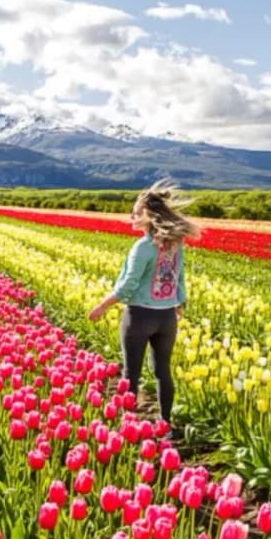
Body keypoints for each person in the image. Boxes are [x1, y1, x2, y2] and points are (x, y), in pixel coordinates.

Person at [88, 181, 199, 430]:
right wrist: (179, 303)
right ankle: (166, 425)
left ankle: (127, 428)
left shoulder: (143, 247)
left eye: (136, 213)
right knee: (162, 371)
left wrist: (103, 306)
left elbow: (128, 285)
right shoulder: (175, 244)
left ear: (149, 217)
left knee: (131, 374)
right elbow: (178, 277)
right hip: (166, 318)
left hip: (139, 317)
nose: (131, 216)